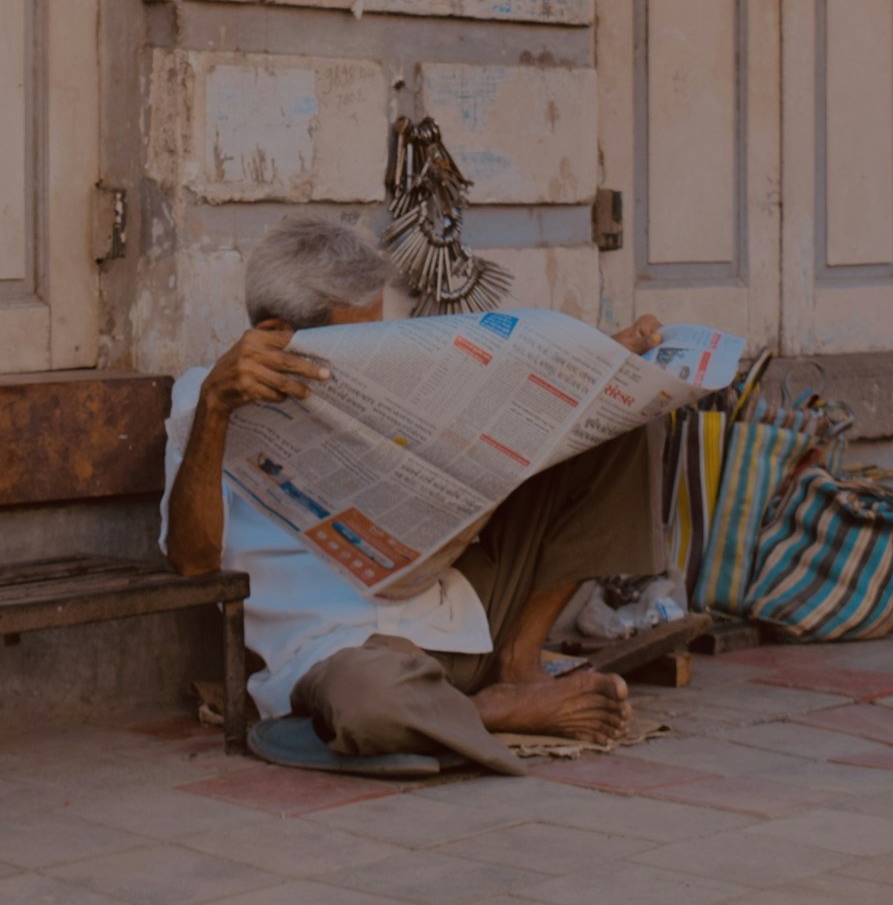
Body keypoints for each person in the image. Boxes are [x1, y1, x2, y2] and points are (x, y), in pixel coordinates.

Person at [163, 216, 665, 775]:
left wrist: (594, 381)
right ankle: (490, 710)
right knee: (368, 701)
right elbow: (193, 561)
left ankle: (519, 665)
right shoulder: (201, 401)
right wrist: (215, 411)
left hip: (464, 609)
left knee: (623, 421)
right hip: (349, 657)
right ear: (279, 332)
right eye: (350, 343)